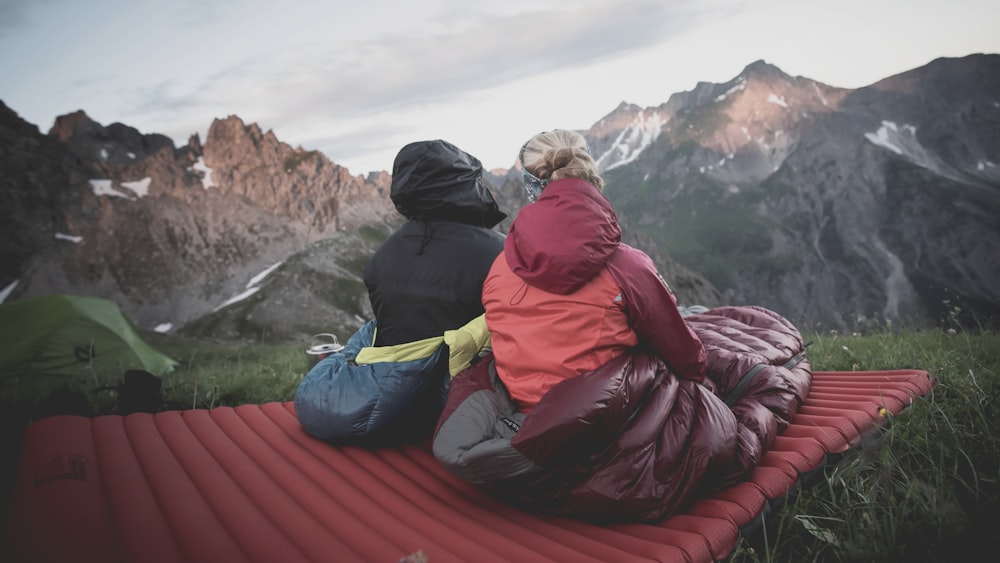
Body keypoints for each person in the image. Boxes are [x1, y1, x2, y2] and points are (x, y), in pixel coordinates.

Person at [295, 139, 506, 445]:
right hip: (452, 401)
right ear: (464, 187)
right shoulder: (499, 251)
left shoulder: (384, 254)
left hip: (395, 394)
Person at [482, 129, 707, 412]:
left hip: (525, 414)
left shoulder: (501, 266)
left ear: (531, 186)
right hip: (604, 419)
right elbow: (685, 356)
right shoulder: (627, 266)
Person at [365, 139, 506, 346]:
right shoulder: (499, 252)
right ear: (464, 186)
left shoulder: (381, 257)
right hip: (470, 376)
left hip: (398, 376)